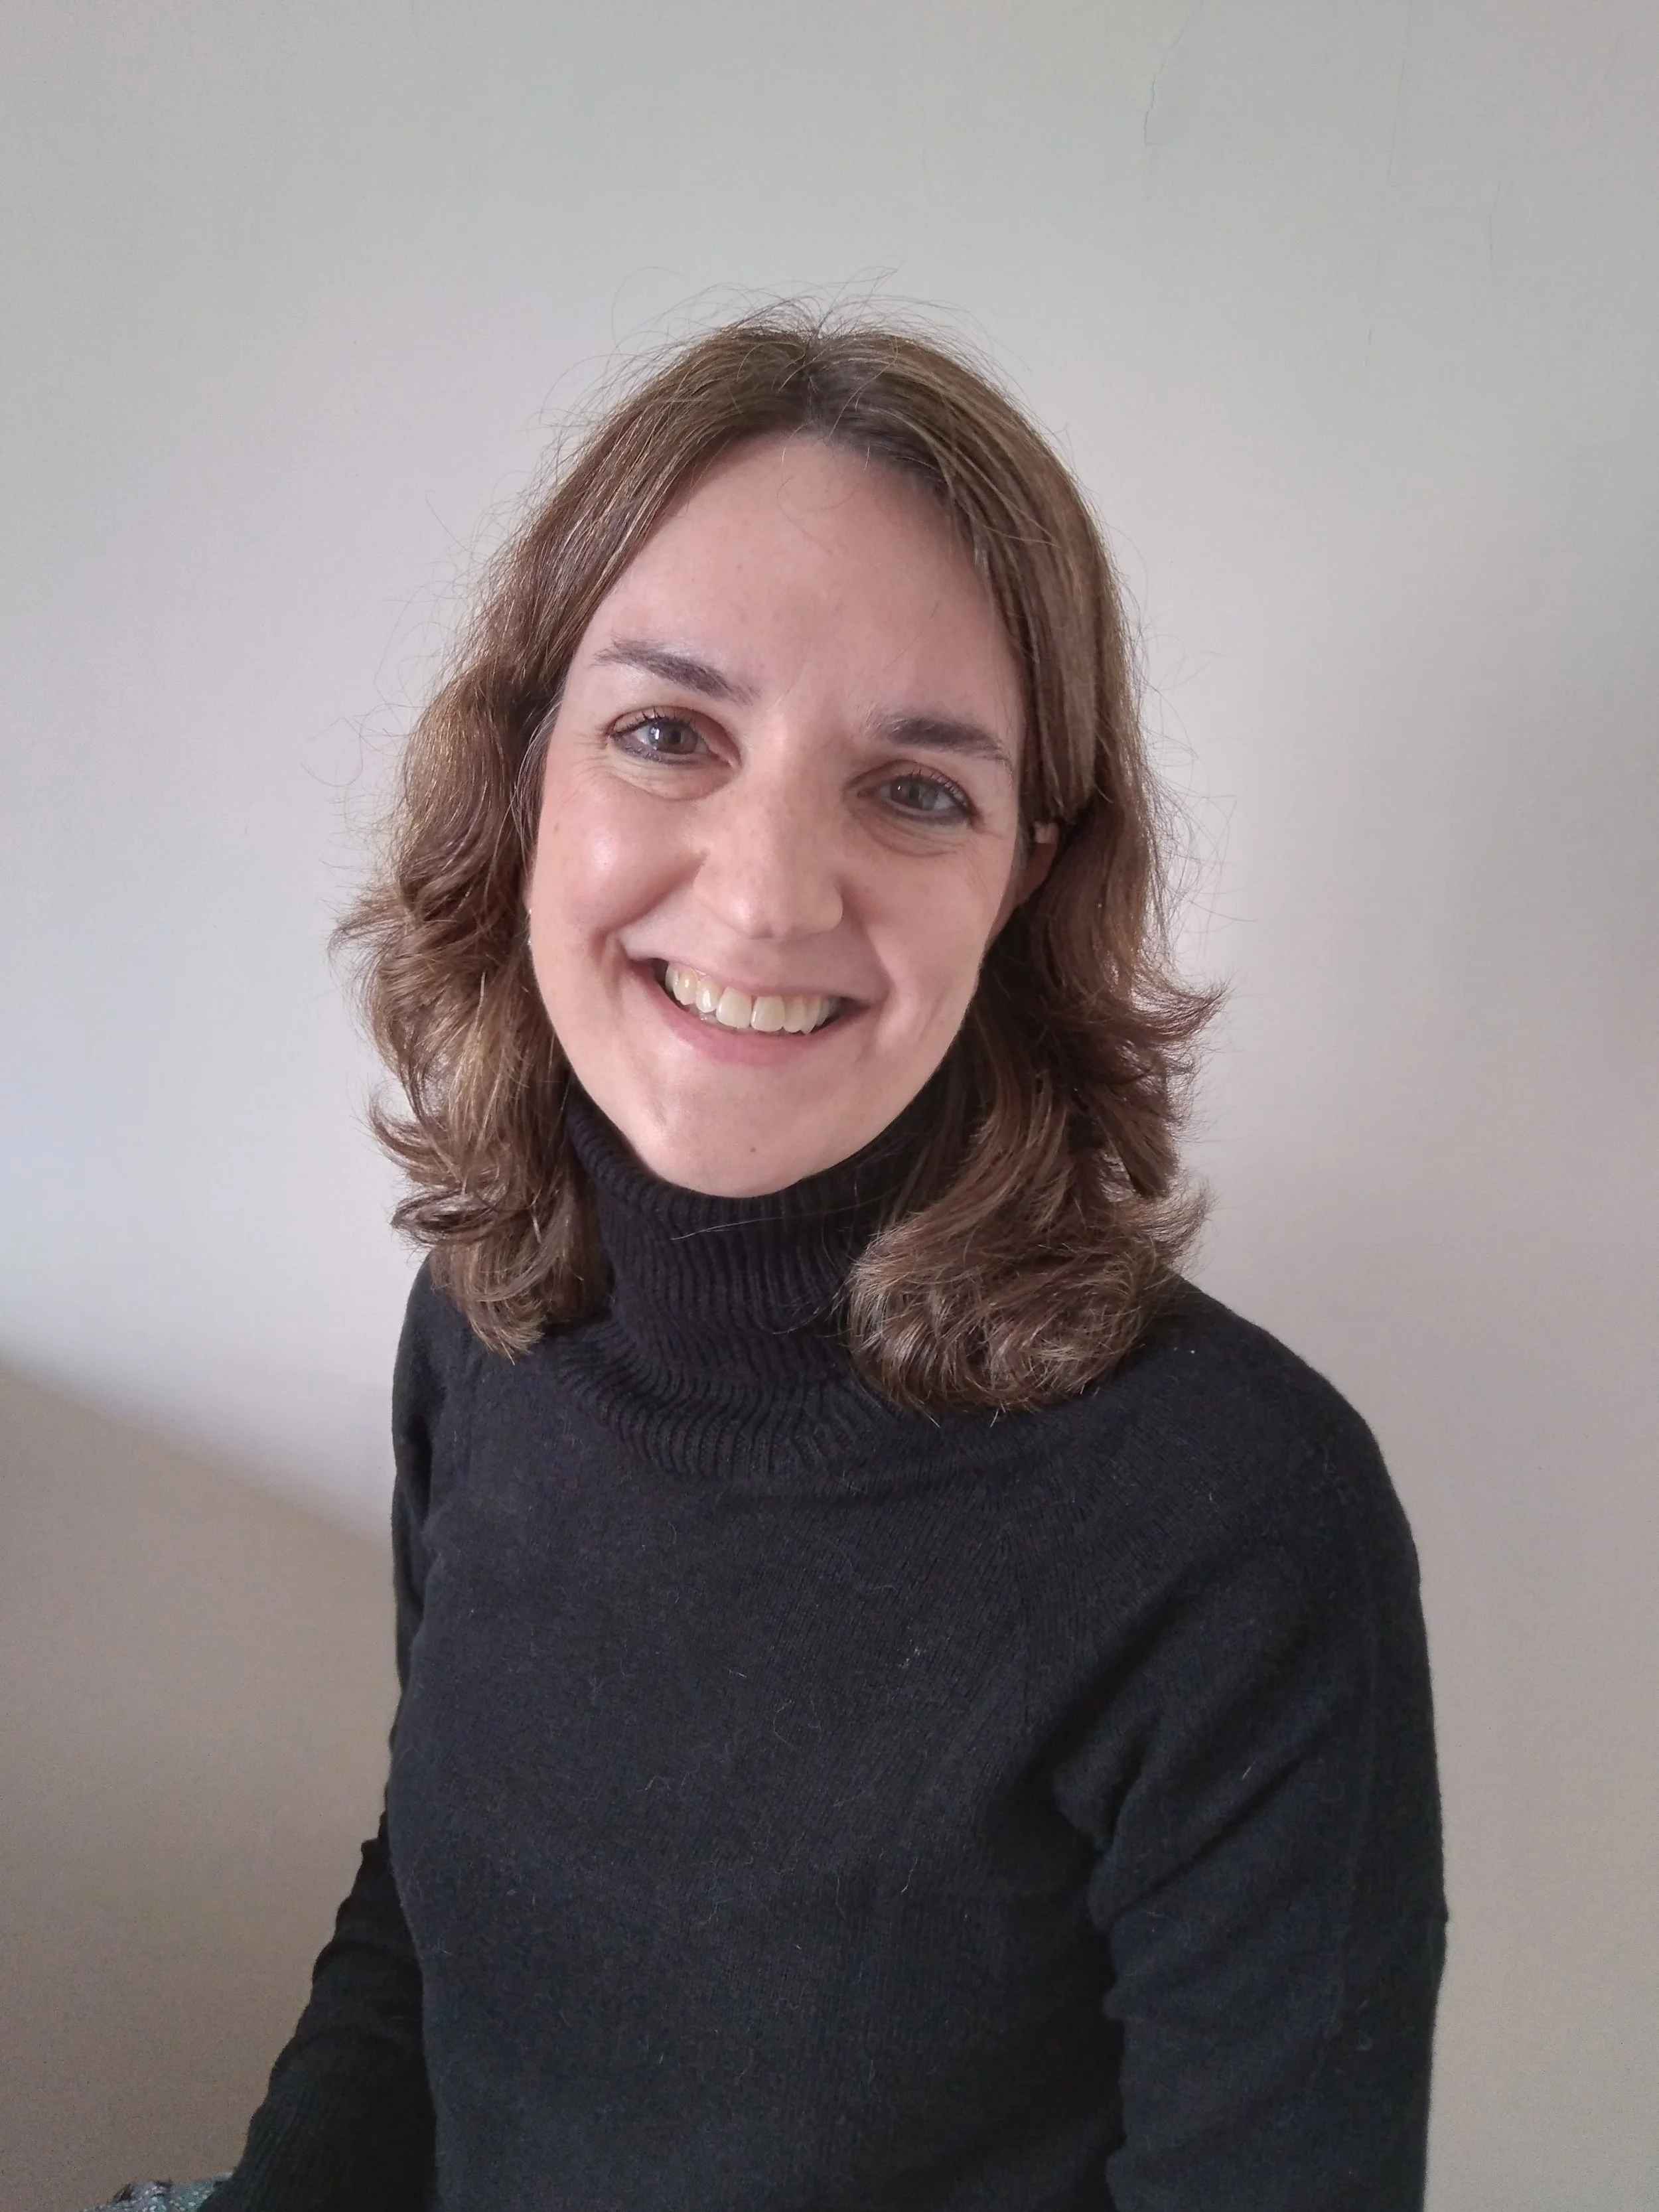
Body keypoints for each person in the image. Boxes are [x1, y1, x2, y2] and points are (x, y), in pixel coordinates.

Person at [192, 309, 1444, 2210]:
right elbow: (426, 1939)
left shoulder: (1241, 1520)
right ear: (528, 772)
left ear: (1025, 870)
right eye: (665, 732)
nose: (770, 891)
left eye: (916, 785)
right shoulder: (483, 1314)